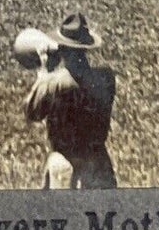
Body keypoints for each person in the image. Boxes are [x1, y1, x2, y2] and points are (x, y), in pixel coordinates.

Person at [24, 12, 117, 189]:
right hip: (99, 163)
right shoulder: (106, 77)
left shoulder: (54, 83)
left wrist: (44, 74)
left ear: (62, 48)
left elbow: (33, 112)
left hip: (65, 164)